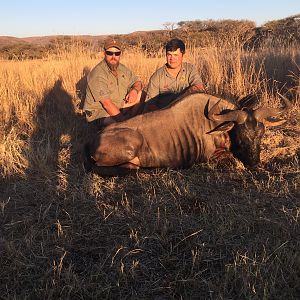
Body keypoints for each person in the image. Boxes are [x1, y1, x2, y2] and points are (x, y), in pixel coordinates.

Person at [83, 38, 144, 127]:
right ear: (104, 53)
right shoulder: (98, 73)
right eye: (109, 53)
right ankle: (126, 124)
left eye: (117, 53)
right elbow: (107, 104)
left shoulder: (122, 68)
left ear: (120, 54)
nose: (113, 56)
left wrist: (134, 90)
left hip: (119, 105)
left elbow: (138, 82)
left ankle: (129, 121)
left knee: (141, 94)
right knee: (122, 129)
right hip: (100, 113)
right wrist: (126, 123)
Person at [145, 38, 205, 110]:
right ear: (166, 55)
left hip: (187, 110)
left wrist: (182, 99)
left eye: (175, 55)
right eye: (169, 55)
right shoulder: (157, 77)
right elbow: (150, 104)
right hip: (165, 114)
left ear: (182, 55)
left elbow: (199, 87)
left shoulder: (190, 69)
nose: (172, 59)